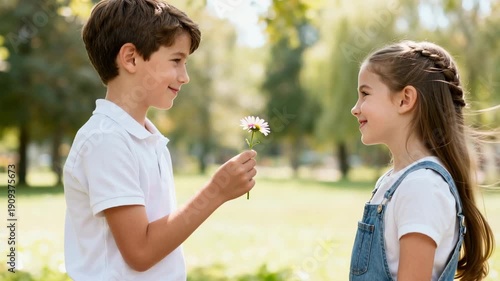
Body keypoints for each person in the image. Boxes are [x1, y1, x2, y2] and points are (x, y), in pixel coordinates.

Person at [63, 1, 257, 280]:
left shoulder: (145, 137)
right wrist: (216, 191)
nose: (185, 76)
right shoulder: (106, 140)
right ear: (130, 58)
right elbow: (140, 252)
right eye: (176, 61)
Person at [349, 40, 495, 281]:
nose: (355, 108)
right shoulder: (392, 182)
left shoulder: (422, 187)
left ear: (405, 99)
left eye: (365, 93)